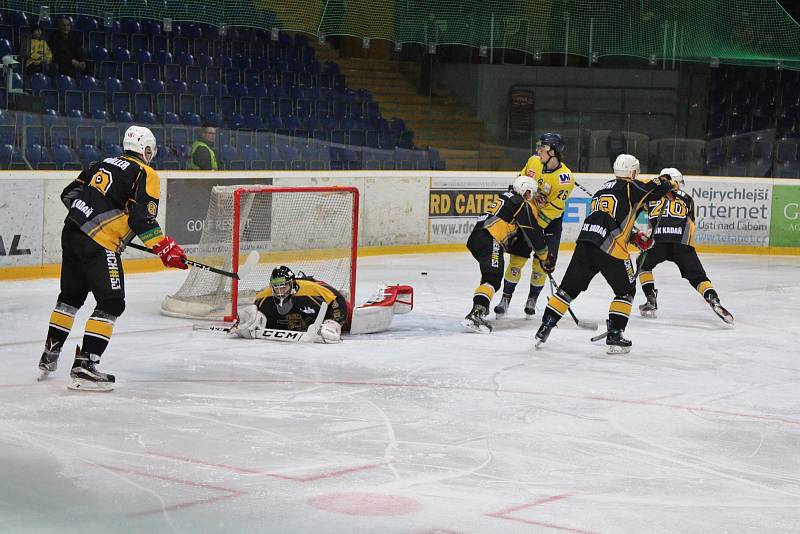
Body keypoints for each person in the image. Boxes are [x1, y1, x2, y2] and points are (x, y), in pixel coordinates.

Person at [38, 126, 188, 391]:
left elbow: (68, 195)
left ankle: (50, 352)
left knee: (70, 297)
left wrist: (90, 216)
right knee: (112, 302)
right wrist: (164, 247)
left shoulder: (101, 163)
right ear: (148, 150)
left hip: (71, 232)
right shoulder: (145, 173)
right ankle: (85, 365)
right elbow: (141, 219)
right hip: (99, 243)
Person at [534, 154, 678, 354]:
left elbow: (611, 217)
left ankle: (545, 326)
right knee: (626, 291)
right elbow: (658, 186)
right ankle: (615, 334)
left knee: (567, 290)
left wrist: (635, 237)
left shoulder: (602, 188)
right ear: (633, 172)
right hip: (611, 247)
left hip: (585, 242)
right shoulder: (632, 187)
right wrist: (670, 183)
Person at [637, 167, 734, 324]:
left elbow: (636, 210)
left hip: (658, 242)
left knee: (642, 265)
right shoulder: (688, 199)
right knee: (698, 277)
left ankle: (650, 299)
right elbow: (690, 223)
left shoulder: (651, 197)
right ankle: (713, 299)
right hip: (682, 244)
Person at [494, 132, 574, 318]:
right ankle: (505, 299)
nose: (538, 150)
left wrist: (535, 227)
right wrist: (525, 220)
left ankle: (532, 299)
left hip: (550, 224)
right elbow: (519, 183)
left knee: (542, 263)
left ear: (553, 152)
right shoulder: (533, 162)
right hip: (527, 218)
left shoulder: (565, 179)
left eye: (543, 148)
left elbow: (554, 208)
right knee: (517, 260)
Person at [463, 175, 553, 333]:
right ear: (524, 191)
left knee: (488, 278)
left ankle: (480, 309)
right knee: (493, 278)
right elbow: (534, 233)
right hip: (490, 238)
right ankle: (476, 314)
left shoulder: (505, 197)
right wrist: (545, 257)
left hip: (476, 237)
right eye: (530, 192)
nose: (531, 196)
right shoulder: (520, 204)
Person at [236, 266, 349, 343]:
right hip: (303, 324)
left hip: (333, 308)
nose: (280, 292)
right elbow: (254, 313)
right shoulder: (263, 297)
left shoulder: (313, 289)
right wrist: (246, 321)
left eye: (284, 286)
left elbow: (337, 299)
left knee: (351, 316)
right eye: (276, 287)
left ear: (292, 284)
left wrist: (334, 323)